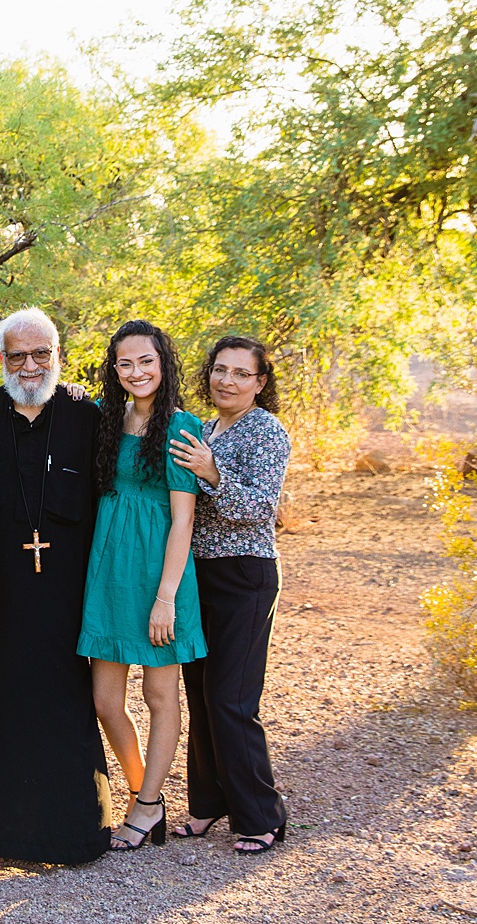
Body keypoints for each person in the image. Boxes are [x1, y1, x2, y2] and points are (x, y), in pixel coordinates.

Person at [0, 307, 114, 865]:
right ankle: (5, 834)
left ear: (58, 357)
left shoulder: (88, 416)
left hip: (69, 596)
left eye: (41, 354)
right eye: (18, 355)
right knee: (0, 709)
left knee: (69, 705)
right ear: (1, 359)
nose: (30, 365)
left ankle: (80, 830)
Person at [78, 320, 207, 850]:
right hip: (110, 571)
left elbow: (183, 520)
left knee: (159, 693)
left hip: (159, 571)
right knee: (106, 700)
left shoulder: (181, 426)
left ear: (163, 363)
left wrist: (166, 598)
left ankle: (149, 803)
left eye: (146, 362)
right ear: (115, 369)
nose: (136, 372)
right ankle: (141, 791)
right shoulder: (109, 419)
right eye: (125, 363)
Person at [167, 334, 292, 855]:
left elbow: (262, 507)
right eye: (221, 370)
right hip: (198, 573)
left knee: (231, 697)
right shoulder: (205, 427)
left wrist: (211, 472)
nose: (228, 380)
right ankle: (206, 804)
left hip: (246, 575)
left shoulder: (267, 431)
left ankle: (262, 815)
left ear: (260, 383)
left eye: (242, 373)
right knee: (199, 693)